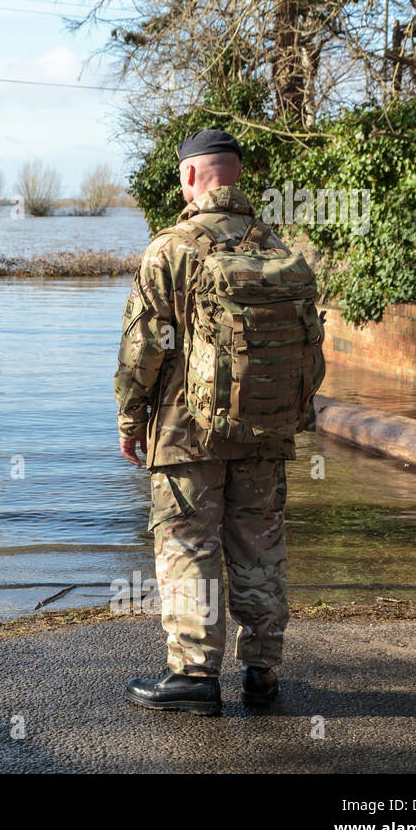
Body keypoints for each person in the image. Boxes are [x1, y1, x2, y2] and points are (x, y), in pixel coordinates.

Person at [114, 128, 322, 716]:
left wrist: (130, 416)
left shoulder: (171, 249)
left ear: (189, 177)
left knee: (189, 544)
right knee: (260, 543)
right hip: (265, 428)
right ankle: (262, 670)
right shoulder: (278, 247)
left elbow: (145, 348)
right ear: (235, 175)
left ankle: (194, 676)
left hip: (186, 433)